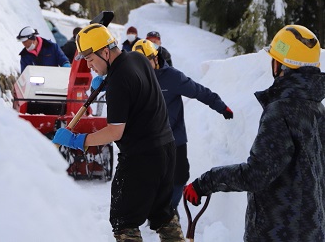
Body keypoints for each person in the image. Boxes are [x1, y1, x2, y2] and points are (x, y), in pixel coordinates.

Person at [183, 24, 325, 241]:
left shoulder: (281, 111)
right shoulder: (318, 110)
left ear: (279, 65)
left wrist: (206, 182)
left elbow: (256, 175)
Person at [52, 24, 184, 241]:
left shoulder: (118, 82)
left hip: (141, 158)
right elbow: (137, 84)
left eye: (91, 59)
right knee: (163, 214)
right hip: (166, 150)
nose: (89, 65)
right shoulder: (137, 58)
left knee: (124, 222)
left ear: (105, 52)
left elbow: (115, 132)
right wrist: (108, 80)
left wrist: (78, 140)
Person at [132, 39, 233, 224]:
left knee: (179, 176)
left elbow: (199, 91)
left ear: (155, 59)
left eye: (146, 64)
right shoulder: (135, 78)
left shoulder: (172, 77)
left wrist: (221, 106)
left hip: (174, 139)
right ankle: (155, 209)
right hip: (149, 140)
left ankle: (170, 209)